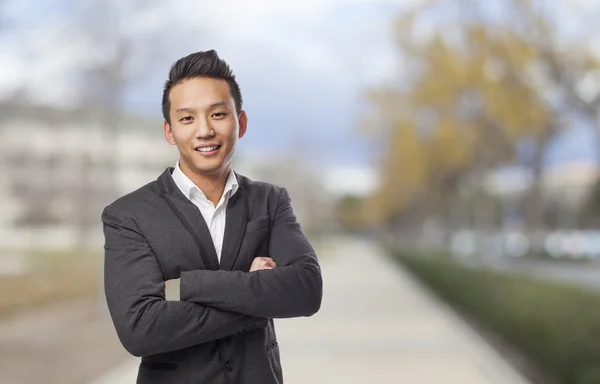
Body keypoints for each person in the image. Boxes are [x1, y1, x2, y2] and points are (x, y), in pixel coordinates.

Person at [101, 50, 323, 384]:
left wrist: (188, 285)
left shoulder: (270, 201)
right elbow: (140, 329)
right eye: (187, 118)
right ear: (169, 131)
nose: (204, 130)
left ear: (241, 122)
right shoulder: (129, 215)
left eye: (218, 114)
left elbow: (306, 290)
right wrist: (257, 297)